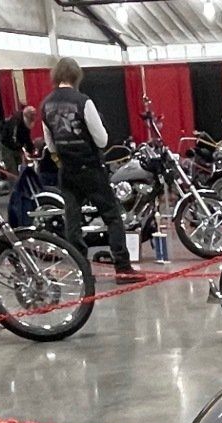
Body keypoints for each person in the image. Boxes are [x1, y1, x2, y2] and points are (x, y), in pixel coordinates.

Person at [40, 56, 133, 277]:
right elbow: (102, 140)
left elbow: (50, 145)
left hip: (67, 171)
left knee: (72, 221)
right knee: (112, 216)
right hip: (90, 168)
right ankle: (122, 266)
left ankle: (82, 269)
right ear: (76, 76)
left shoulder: (46, 105)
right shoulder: (83, 101)